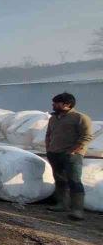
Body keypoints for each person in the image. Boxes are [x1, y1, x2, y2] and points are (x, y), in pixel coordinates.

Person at [45, 92, 93, 221]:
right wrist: (48, 149)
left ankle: (77, 210)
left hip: (72, 155)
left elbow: (86, 137)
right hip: (54, 153)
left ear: (67, 104)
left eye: (56, 103)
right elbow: (49, 134)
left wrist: (73, 151)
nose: (53, 105)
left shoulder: (80, 118)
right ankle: (62, 204)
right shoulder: (53, 118)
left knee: (74, 181)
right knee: (60, 180)